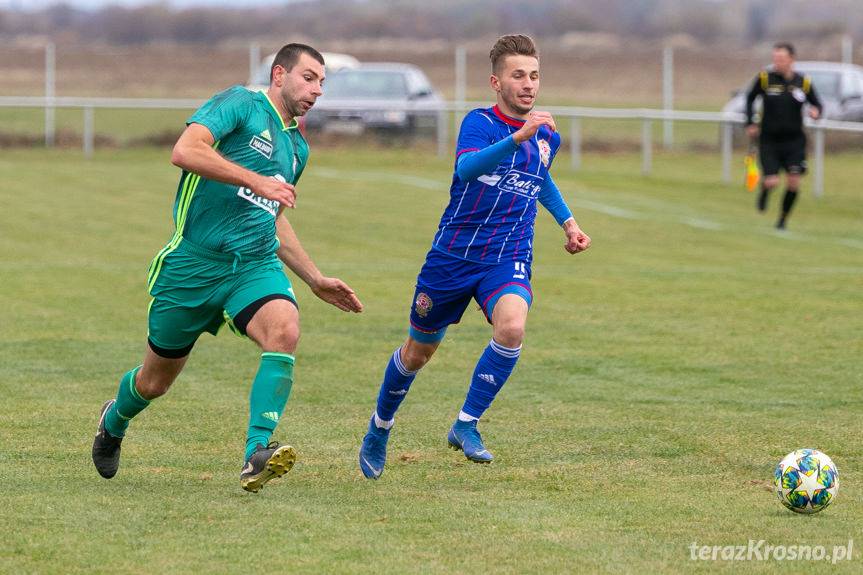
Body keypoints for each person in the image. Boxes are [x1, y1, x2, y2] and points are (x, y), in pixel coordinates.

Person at [91, 43, 363, 493]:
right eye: (308, 77)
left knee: (285, 329)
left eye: (322, 82)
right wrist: (254, 178)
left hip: (252, 264)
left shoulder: (297, 147)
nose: (316, 90)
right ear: (280, 74)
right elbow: (185, 150)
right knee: (155, 382)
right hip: (193, 266)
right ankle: (113, 420)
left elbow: (271, 217)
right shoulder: (240, 103)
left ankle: (257, 453)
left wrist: (313, 278)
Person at [358, 34, 591, 479]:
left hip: (507, 257)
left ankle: (466, 424)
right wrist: (516, 137)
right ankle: (379, 427)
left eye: (535, 75)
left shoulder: (547, 135)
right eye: (518, 75)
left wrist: (569, 223)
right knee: (417, 353)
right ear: (496, 81)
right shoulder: (479, 123)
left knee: (513, 326)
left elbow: (539, 179)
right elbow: (467, 168)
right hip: (453, 257)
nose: (528, 84)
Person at [745, 42, 822, 230]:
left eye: (781, 58)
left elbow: (818, 104)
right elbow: (749, 98)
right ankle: (765, 189)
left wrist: (816, 112)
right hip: (769, 140)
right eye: (775, 58)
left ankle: (782, 220)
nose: (777, 62)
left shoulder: (803, 82)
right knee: (772, 180)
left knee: (794, 181)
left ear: (791, 60)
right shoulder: (765, 79)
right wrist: (750, 122)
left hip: (794, 141)